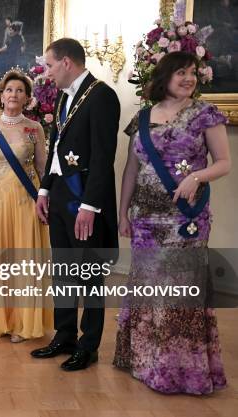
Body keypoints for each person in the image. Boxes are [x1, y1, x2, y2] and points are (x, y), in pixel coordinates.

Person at [114, 51, 230, 394]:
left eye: (193, 72)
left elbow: (223, 163)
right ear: (164, 76)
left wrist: (197, 176)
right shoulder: (143, 118)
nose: (189, 78)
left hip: (185, 219)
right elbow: (131, 170)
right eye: (181, 72)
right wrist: (123, 212)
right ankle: (146, 361)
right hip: (146, 218)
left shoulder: (204, 114)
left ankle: (179, 371)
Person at [31, 38, 120, 371]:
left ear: (67, 62)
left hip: (85, 199)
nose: (47, 73)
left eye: (50, 66)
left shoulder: (101, 96)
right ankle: (64, 335)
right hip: (60, 196)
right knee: (64, 272)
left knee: (89, 274)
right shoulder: (63, 99)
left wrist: (91, 206)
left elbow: (102, 156)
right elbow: (56, 149)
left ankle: (89, 344)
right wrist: (44, 190)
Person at [0, 69, 52, 342]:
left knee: (23, 260)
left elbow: (43, 168)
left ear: (27, 98)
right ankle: (0, 318)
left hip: (25, 203)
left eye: (19, 90)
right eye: (9, 90)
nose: (14, 94)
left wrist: (45, 198)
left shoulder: (34, 129)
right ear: (1, 96)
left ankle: (22, 322)